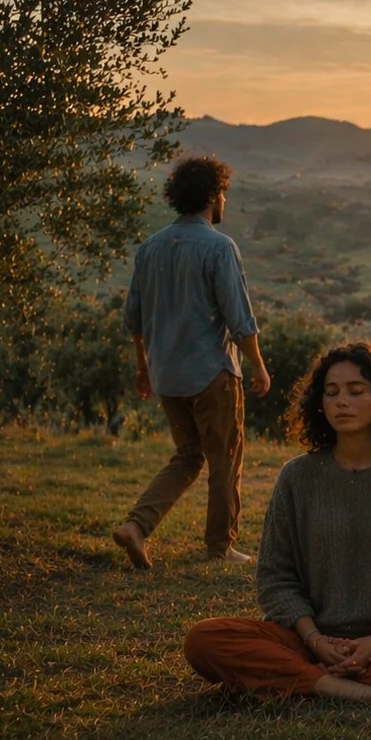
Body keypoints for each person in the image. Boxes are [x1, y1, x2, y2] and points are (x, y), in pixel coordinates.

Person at [183, 342, 371, 702]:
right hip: (308, 642)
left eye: (355, 390)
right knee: (204, 640)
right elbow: (275, 577)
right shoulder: (297, 477)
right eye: (331, 393)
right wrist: (314, 639)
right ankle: (355, 689)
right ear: (320, 404)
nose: (341, 401)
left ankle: (318, 685)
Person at [112, 156, 270, 569]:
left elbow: (134, 318)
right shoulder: (220, 247)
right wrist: (257, 364)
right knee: (224, 460)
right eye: (224, 194)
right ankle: (220, 548)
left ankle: (137, 526)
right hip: (211, 374)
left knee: (187, 456)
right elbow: (239, 318)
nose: (224, 201)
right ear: (214, 196)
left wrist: (143, 369)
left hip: (168, 376)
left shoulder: (151, 247)